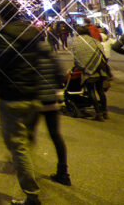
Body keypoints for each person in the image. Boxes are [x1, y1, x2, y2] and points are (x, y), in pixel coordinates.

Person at [0, 2, 42, 205]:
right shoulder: (34, 33)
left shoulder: (3, 37)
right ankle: (30, 174)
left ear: (2, 16)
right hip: (33, 95)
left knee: (18, 145)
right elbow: (43, 60)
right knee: (26, 142)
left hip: (12, 97)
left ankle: (31, 195)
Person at [31, 39, 71, 186]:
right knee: (56, 136)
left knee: (29, 136)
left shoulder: (32, 59)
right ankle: (63, 172)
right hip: (52, 103)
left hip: (36, 103)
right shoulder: (53, 58)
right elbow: (61, 77)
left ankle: (27, 169)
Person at [71, 25, 109, 121]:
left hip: (88, 70)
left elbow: (76, 58)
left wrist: (80, 66)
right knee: (100, 91)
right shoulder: (94, 40)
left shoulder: (76, 42)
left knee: (91, 90)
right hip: (99, 69)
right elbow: (102, 52)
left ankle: (98, 114)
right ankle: (105, 112)